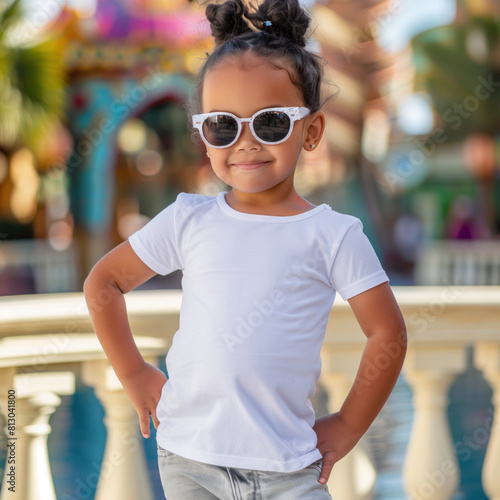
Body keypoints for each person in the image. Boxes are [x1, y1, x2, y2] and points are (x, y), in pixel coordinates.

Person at [83, 0, 407, 498]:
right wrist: (132, 372)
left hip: (291, 469)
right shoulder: (188, 220)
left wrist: (346, 425)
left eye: (272, 122)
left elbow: (387, 333)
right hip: (188, 461)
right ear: (205, 137)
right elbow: (103, 282)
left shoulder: (334, 234)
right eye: (223, 126)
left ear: (312, 130)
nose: (246, 142)